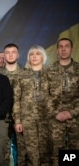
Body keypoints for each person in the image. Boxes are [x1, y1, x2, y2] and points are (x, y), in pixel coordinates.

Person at [13, 45, 51, 166]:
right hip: (27, 121)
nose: (34, 56)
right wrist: (18, 120)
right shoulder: (21, 75)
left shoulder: (51, 74)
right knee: (29, 154)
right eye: (31, 54)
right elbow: (16, 99)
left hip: (47, 120)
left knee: (46, 153)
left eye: (37, 53)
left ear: (43, 57)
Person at [46, 38, 79, 166]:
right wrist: (55, 113)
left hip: (75, 119)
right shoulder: (49, 70)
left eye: (67, 46)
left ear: (72, 49)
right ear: (57, 50)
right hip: (55, 119)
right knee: (55, 154)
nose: (64, 49)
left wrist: (71, 113)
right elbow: (45, 95)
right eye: (61, 46)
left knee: (73, 153)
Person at [0, 43, 23, 166]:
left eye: (13, 52)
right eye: (7, 52)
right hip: (2, 119)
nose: (11, 54)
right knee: (2, 154)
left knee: (21, 153)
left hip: (22, 119)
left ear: (18, 55)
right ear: (4, 56)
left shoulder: (26, 74)